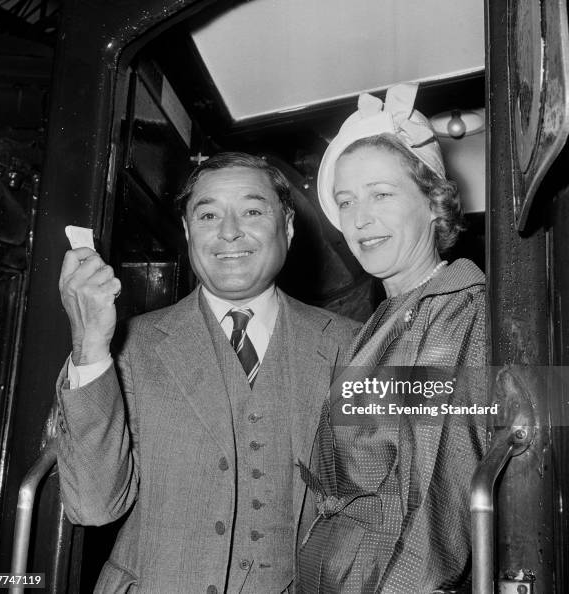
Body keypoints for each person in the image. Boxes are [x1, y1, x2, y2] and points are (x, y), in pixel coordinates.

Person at [56, 152, 359, 593]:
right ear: (186, 231)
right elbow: (92, 506)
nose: (229, 231)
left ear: (288, 227)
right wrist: (90, 345)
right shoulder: (129, 348)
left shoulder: (353, 345)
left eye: (252, 211)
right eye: (209, 214)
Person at [297, 84, 486, 593]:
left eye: (382, 194)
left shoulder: (453, 309)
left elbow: (434, 503)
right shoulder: (387, 317)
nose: (360, 218)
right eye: (346, 201)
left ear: (432, 202)